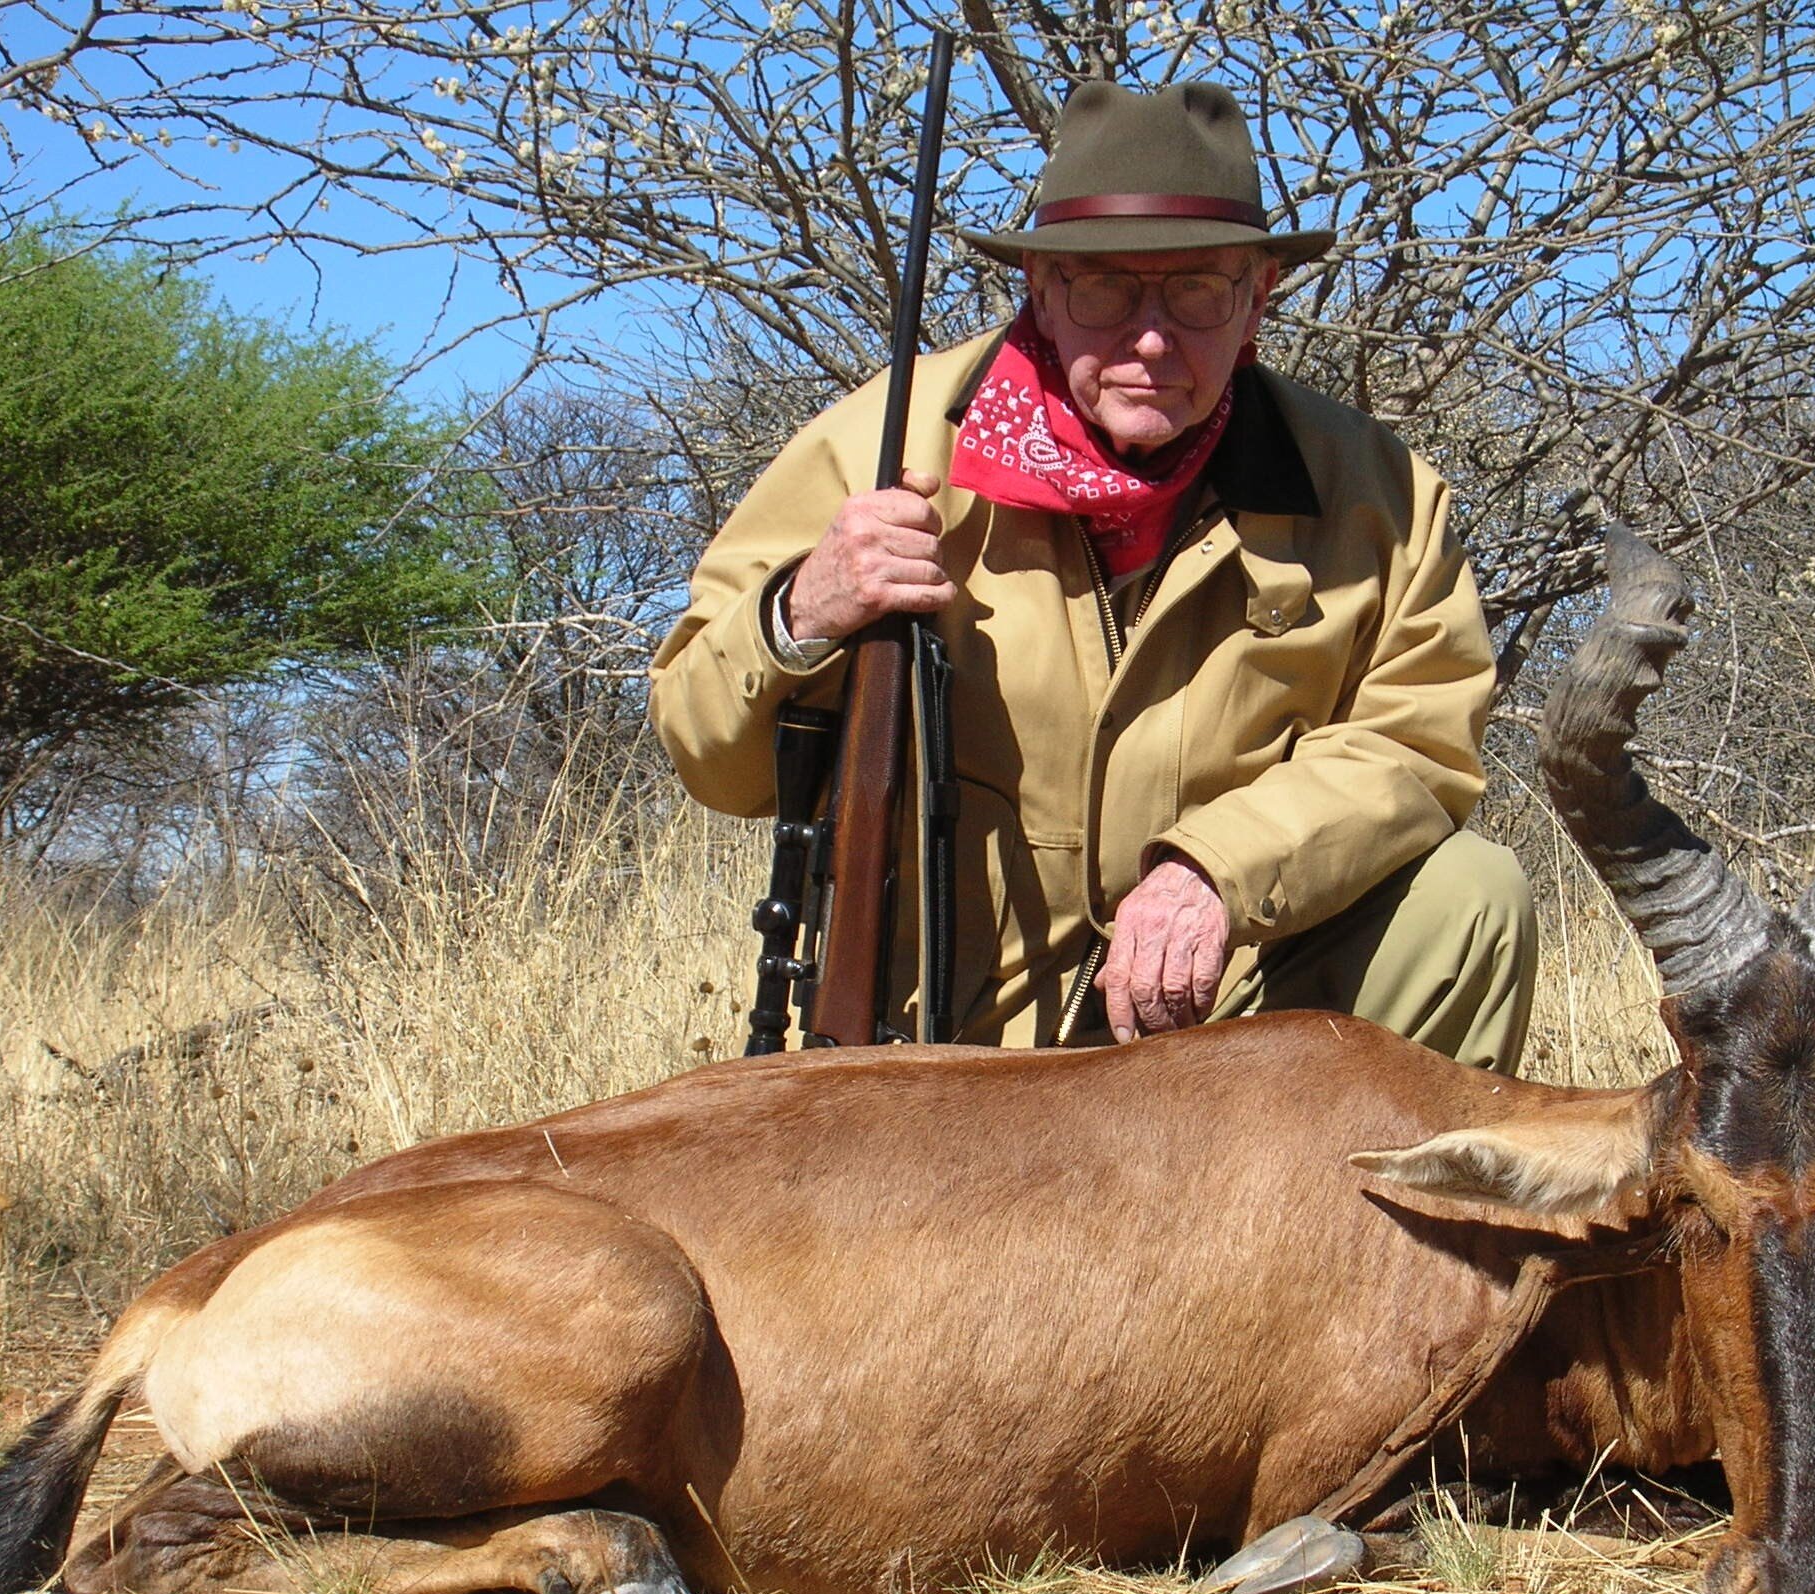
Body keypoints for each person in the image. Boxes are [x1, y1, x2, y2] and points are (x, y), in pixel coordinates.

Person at [649, 80, 1537, 1062]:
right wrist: (798, 614)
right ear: (1039, 288)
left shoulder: (1378, 493)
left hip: (1217, 1037)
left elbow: (1417, 743)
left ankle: (1328, 1216)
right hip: (943, 1070)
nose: (1149, 337)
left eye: (1196, 287)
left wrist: (1219, 870)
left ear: (1257, 300)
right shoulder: (874, 445)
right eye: (1105, 286)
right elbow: (706, 754)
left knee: (1469, 899)